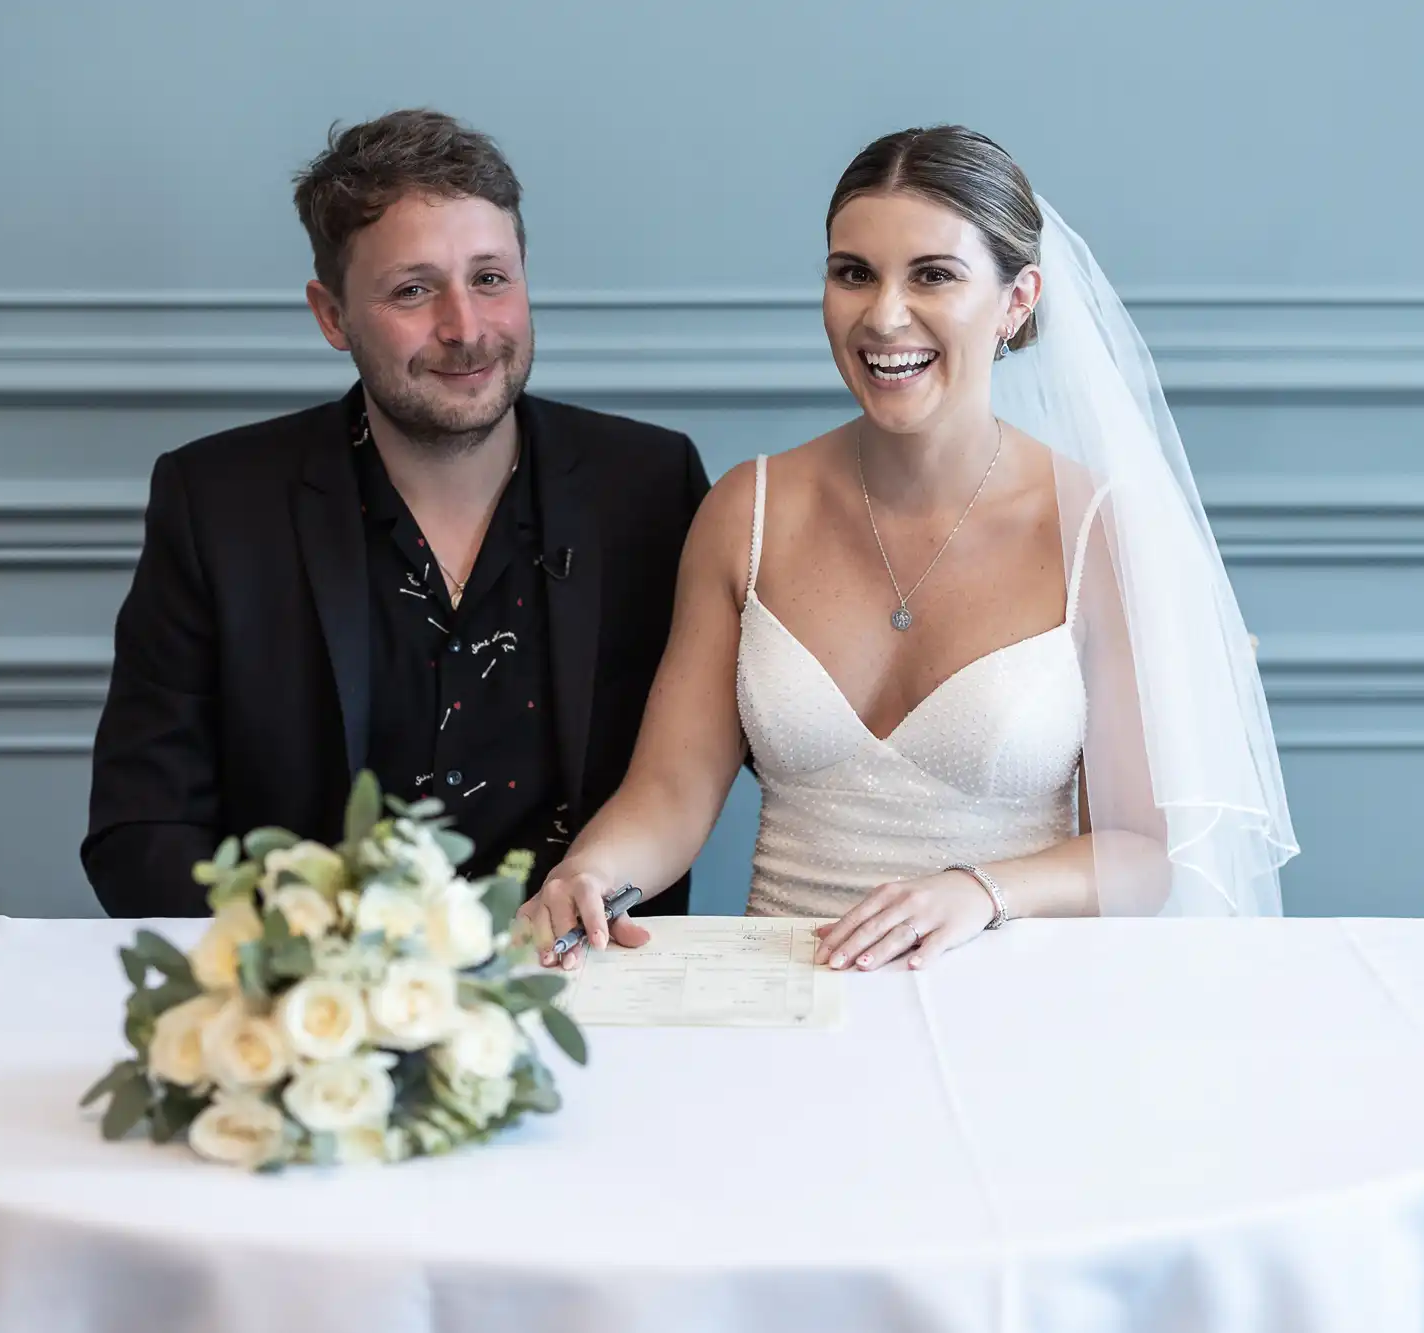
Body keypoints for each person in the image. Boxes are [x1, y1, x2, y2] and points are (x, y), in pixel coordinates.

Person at [520, 125, 1296, 970]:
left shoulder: (1097, 530)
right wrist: (591, 870)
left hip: (1004, 996)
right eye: (853, 273)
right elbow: (669, 794)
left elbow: (1144, 853)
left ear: (1018, 298)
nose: (884, 315)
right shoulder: (748, 508)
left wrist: (980, 889)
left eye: (934, 275)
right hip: (780, 995)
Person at [84, 109, 710, 918]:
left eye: (491, 278)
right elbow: (142, 828)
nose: (466, 329)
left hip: (596, 987)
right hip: (320, 1001)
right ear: (332, 316)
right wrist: (295, 970)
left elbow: (777, 753)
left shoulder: (653, 485)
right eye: (413, 290)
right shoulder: (216, 503)